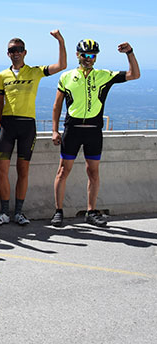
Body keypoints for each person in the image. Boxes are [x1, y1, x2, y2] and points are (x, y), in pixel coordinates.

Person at [51, 40, 139, 227]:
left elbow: (134, 74)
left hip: (93, 131)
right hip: (72, 130)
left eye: (92, 55)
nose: (89, 59)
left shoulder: (104, 75)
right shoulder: (66, 77)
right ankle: (58, 211)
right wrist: (54, 130)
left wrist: (129, 52)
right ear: (77, 55)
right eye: (85, 55)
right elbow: (57, 105)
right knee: (63, 171)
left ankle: (91, 211)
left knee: (93, 172)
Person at [0, 30, 66, 225]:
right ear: (7, 53)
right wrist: (2, 123)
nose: (15, 52)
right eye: (11, 50)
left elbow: (62, 65)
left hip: (27, 126)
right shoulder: (2, 76)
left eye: (19, 49)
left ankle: (18, 212)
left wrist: (60, 41)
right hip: (7, 126)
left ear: (25, 52)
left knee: (22, 170)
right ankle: (4, 212)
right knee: (1, 170)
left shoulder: (34, 71)